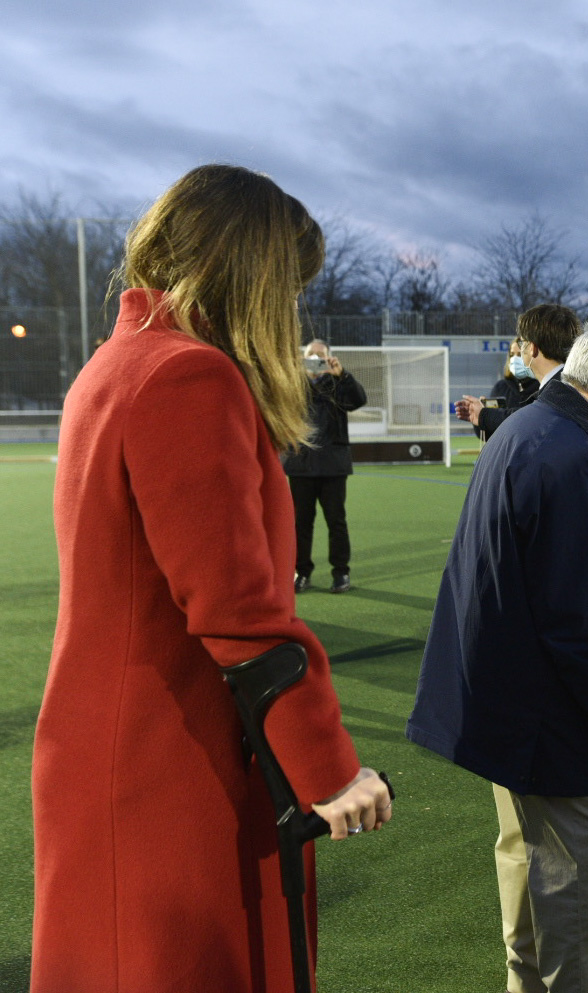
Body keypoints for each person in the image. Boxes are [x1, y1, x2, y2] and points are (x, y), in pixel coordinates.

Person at [32, 164, 390, 993]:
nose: (291, 310)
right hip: (170, 756)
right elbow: (238, 610)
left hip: (110, 744)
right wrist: (329, 767)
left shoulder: (116, 362)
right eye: (288, 288)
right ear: (253, 276)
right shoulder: (187, 375)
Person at [407, 315, 588, 993]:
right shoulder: (568, 455)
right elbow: (578, 617)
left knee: (529, 878)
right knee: (578, 902)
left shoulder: (531, 428)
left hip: (508, 702)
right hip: (548, 719)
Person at [283, 338, 367, 593]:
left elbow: (358, 400)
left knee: (336, 522)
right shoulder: (293, 383)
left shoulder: (339, 382)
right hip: (301, 463)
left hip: (333, 465)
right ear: (303, 357)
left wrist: (342, 375)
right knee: (300, 523)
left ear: (330, 358)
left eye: (321, 355)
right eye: (311, 354)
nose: (316, 359)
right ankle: (301, 572)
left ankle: (341, 573)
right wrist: (295, 371)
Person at [454, 303, 581, 441]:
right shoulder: (573, 383)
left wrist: (484, 415)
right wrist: (483, 415)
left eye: (522, 343)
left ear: (532, 348)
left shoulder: (560, 391)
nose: (516, 356)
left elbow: (530, 419)